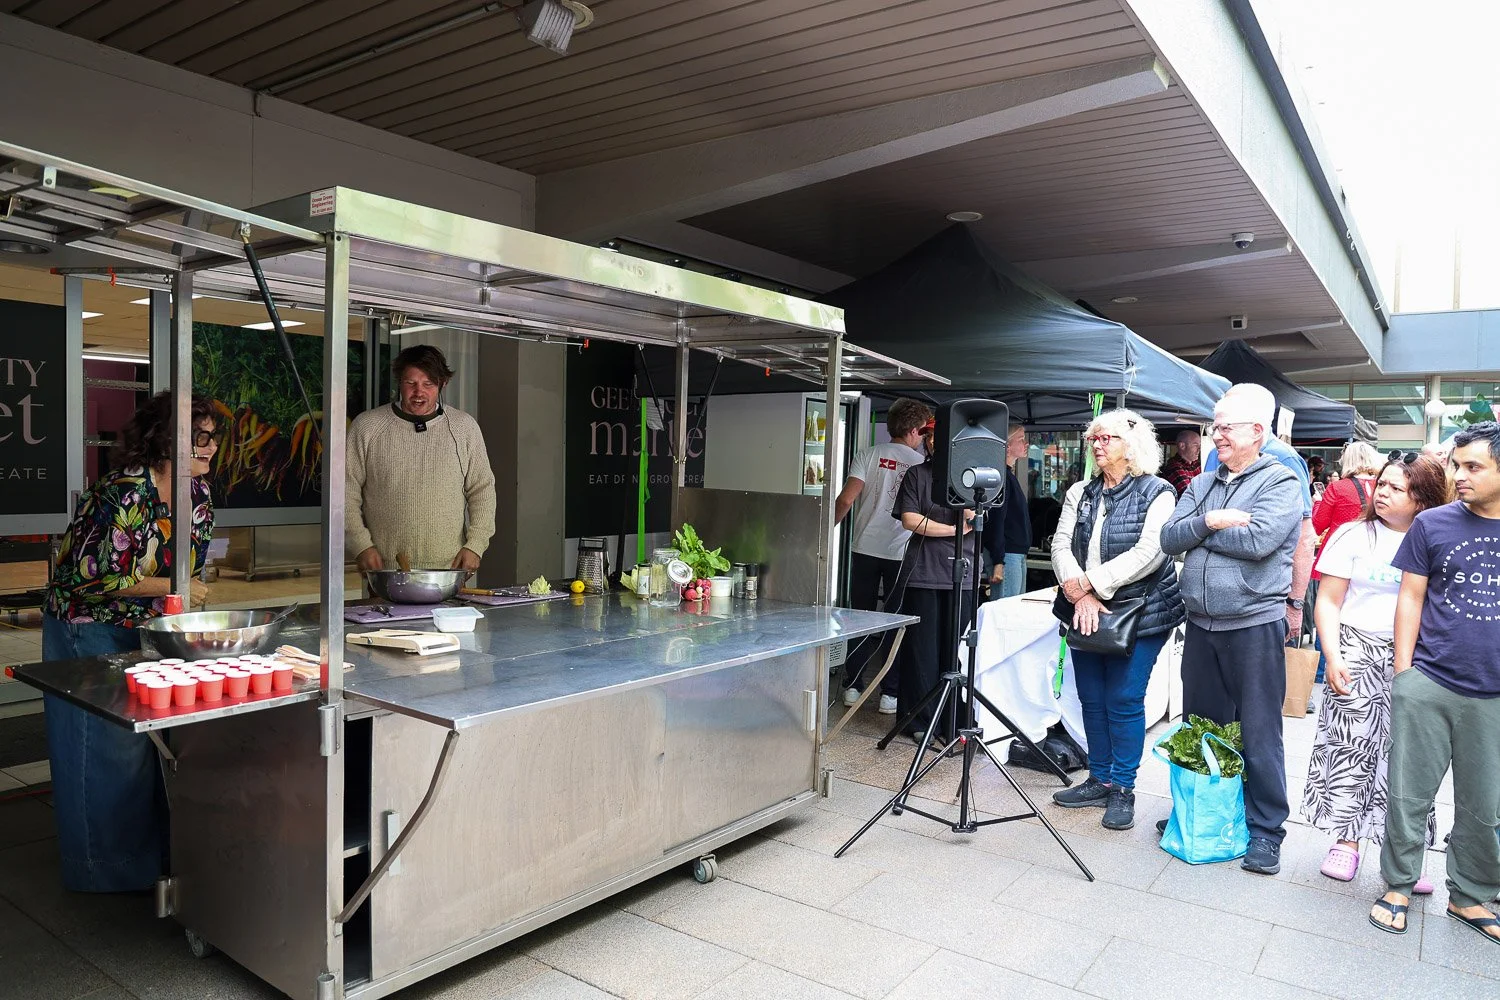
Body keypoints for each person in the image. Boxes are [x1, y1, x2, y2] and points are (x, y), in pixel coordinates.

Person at [42, 391, 218, 892]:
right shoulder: (122, 492)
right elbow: (86, 576)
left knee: (141, 745)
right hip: (88, 625)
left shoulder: (198, 495)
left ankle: (148, 860)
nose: (209, 448)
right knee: (98, 745)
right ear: (164, 440)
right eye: (197, 437)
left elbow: (190, 569)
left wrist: (182, 603)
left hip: (144, 625)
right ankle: (101, 869)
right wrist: (173, 587)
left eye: (212, 439)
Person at [1161, 382, 1305, 875]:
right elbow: (1169, 537)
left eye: (1225, 426)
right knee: (1201, 725)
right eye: (1214, 426)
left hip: (1253, 623)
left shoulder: (1281, 482)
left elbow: (1261, 541)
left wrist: (1200, 533)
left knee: (1260, 729)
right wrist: (1215, 521)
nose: (1215, 435)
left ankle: (1266, 829)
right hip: (1200, 623)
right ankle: (1204, 810)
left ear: (1257, 432)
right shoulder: (1202, 485)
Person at [1369, 423, 1500, 941]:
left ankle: (1470, 895)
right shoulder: (1434, 525)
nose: (1459, 476)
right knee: (1408, 793)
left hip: (1493, 694)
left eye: (1473, 467)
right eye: (1456, 465)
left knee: (1485, 803)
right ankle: (1398, 886)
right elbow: (1410, 597)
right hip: (1430, 681)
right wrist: (1405, 674)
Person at [1302, 456, 1451, 886]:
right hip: (1355, 649)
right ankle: (1345, 842)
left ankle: (1406, 850)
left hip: (1418, 656)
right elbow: (1328, 601)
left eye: (1395, 488)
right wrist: (1333, 655)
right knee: (1351, 747)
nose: (1381, 493)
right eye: (1380, 484)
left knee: (1409, 755)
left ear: (1421, 498)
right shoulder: (1353, 533)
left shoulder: (1436, 538)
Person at [1049, 409, 1185, 831]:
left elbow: (1151, 553)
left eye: (1106, 438)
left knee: (1124, 699)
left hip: (1142, 611)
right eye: (1094, 439)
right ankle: (1100, 778)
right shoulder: (1080, 492)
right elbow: (1060, 544)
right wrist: (1077, 591)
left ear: (1133, 446)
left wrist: (1090, 585)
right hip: (1084, 607)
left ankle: (1123, 789)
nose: (1097, 445)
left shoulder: (1158, 491)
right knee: (1091, 697)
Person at [347, 344, 497, 573]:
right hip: (385, 572)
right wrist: (360, 545)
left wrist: (475, 546)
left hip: (451, 570)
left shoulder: (464, 427)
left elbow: (483, 490)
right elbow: (344, 492)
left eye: (428, 384)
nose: (419, 393)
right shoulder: (367, 427)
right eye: (411, 383)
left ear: (442, 384)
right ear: (399, 382)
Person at [834, 398, 933, 711]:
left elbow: (847, 498)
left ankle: (853, 686)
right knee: (894, 621)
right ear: (916, 431)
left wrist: (824, 531)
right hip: (902, 552)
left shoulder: (868, 454)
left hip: (864, 547)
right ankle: (890, 693)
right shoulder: (919, 464)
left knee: (858, 617)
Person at [1203, 394, 1316, 644]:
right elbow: (1188, 523)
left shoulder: (1284, 460)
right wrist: (1204, 525)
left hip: (1256, 611)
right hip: (1208, 612)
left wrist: (1295, 603)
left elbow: (1303, 536)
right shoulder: (1216, 454)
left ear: (1256, 425)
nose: (1218, 433)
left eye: (1227, 425)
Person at [893, 424, 980, 744]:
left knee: (955, 650)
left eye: (939, 436)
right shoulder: (917, 474)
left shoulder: (974, 476)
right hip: (925, 571)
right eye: (929, 437)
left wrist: (968, 519)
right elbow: (909, 519)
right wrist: (953, 532)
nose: (933, 442)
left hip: (966, 573)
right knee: (922, 650)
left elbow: (979, 518)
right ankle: (920, 721)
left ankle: (954, 721)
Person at [982, 422, 1032, 600]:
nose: (1026, 444)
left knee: (1014, 611)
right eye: (1021, 439)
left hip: (1014, 553)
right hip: (1007, 555)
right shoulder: (1000, 476)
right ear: (1007, 445)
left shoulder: (1007, 475)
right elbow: (996, 520)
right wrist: (998, 560)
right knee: (1005, 611)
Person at [1312, 441, 1382, 543]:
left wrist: (1318, 502)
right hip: (1374, 544)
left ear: (1346, 460)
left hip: (1339, 545)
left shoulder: (1336, 487)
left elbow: (1318, 526)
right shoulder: (1383, 486)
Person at [1162, 429, 1201, 496]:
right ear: (1182, 446)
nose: (1199, 449)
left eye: (1200, 445)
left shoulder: (1197, 464)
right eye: (1195, 445)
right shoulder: (1173, 467)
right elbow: (1190, 494)